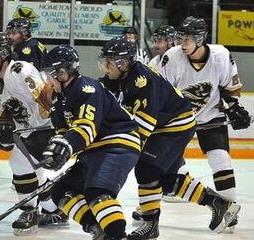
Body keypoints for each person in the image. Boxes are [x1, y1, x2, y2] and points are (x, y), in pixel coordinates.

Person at [98, 35, 241, 239]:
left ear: (124, 63)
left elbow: (143, 128)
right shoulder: (118, 78)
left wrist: (118, 149)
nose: (105, 68)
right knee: (165, 179)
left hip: (175, 126)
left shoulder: (142, 80)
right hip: (165, 125)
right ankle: (218, 203)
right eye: (104, 62)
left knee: (146, 169)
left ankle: (150, 223)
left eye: (109, 63)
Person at [40, 44, 141, 240]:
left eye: (50, 74)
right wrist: (58, 146)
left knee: (97, 192)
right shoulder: (58, 99)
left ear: (62, 72)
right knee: (61, 191)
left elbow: (86, 128)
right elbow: (64, 131)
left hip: (117, 143)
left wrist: (66, 145)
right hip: (94, 150)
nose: (48, 80)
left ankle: (117, 236)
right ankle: (99, 230)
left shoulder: (87, 88)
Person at [159, 16, 251, 230]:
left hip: (210, 116)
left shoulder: (221, 56)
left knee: (220, 158)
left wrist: (234, 107)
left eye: (187, 39)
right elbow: (161, 94)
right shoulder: (172, 58)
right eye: (181, 37)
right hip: (178, 119)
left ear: (200, 39)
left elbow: (229, 89)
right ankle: (147, 207)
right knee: (158, 167)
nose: (182, 42)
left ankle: (229, 210)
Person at [0, 32, 68, 235]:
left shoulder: (20, 71)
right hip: (26, 133)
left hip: (46, 127)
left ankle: (51, 208)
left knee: (32, 167)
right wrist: (3, 128)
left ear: (3, 54)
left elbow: (47, 101)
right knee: (20, 163)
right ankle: (35, 211)